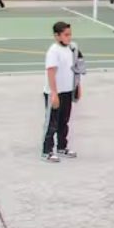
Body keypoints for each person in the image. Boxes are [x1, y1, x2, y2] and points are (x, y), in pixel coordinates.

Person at [42, 21, 81, 162]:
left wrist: (78, 87)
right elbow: (51, 73)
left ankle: (62, 147)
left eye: (70, 34)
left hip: (67, 91)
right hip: (55, 93)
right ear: (57, 36)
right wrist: (54, 93)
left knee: (64, 121)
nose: (69, 37)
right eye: (66, 35)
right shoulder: (53, 51)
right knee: (51, 122)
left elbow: (76, 68)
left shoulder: (72, 48)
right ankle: (47, 151)